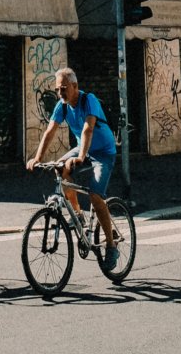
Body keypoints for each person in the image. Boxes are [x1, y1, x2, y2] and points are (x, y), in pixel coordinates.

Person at [27, 66, 119, 269]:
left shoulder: (89, 100)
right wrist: (37, 158)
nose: (60, 93)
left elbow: (88, 129)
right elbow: (50, 131)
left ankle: (111, 247)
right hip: (82, 149)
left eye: (64, 88)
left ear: (75, 86)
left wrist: (81, 157)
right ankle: (77, 214)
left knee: (95, 196)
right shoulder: (62, 106)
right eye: (58, 89)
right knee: (59, 169)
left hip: (103, 152)